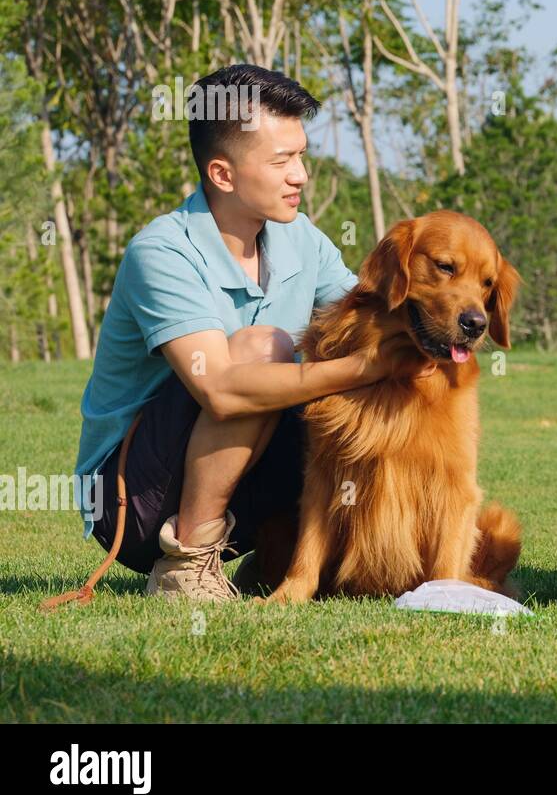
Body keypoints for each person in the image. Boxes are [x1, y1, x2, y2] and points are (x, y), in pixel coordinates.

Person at [71, 65, 417, 603]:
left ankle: (341, 555)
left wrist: (443, 309)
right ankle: (186, 562)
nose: (300, 175)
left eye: (301, 155)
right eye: (281, 161)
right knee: (265, 347)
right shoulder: (163, 252)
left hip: (248, 473)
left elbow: (364, 317)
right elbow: (221, 391)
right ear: (223, 174)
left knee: (338, 393)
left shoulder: (299, 237)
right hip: (133, 500)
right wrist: (365, 368)